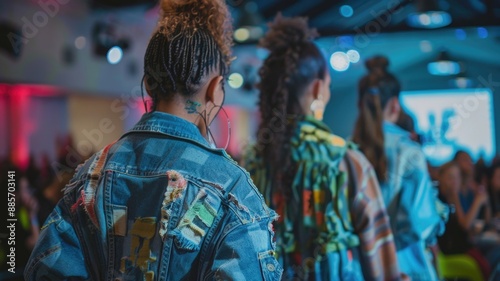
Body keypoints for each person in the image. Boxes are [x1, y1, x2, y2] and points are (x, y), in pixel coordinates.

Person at [25, 0, 281, 280]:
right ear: (215, 90)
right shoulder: (232, 190)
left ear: (147, 83)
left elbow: (47, 270)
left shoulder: (89, 177)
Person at [245, 15, 404, 280]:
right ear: (319, 89)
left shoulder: (251, 162)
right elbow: (380, 253)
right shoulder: (346, 160)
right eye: (329, 86)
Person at [352, 55, 447, 280]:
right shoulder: (409, 151)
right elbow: (417, 223)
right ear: (395, 104)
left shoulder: (345, 152)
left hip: (358, 268)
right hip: (405, 267)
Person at [437, 161, 491, 279]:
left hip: (463, 247)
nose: (455, 182)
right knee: (484, 263)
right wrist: (478, 201)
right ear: (440, 178)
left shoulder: (454, 198)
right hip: (449, 252)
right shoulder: (439, 201)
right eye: (450, 177)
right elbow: (465, 225)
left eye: (457, 177)